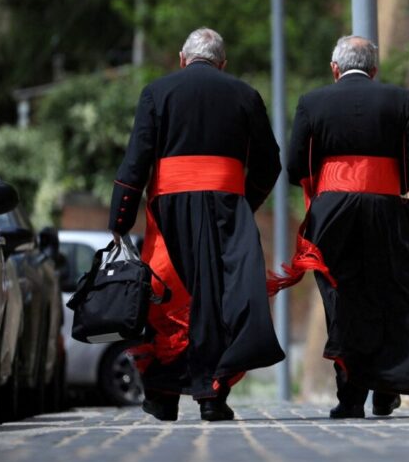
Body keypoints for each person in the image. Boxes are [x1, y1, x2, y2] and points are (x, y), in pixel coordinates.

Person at [109, 27, 285, 422]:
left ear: (182, 58)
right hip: (226, 207)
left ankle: (162, 396)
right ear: (223, 63)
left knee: (168, 295)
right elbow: (269, 163)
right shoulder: (245, 94)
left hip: (169, 207)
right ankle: (212, 395)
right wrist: (244, 203)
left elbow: (136, 161)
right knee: (219, 297)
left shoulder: (157, 92)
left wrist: (120, 218)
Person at [273, 35, 409, 418]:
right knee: (393, 294)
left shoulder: (312, 102)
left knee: (343, 301)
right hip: (386, 209)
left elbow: (296, 167)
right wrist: (381, 185)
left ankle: (350, 399)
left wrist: (331, 189)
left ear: (335, 69)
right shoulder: (399, 99)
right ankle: (387, 388)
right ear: (374, 70)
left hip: (332, 214)